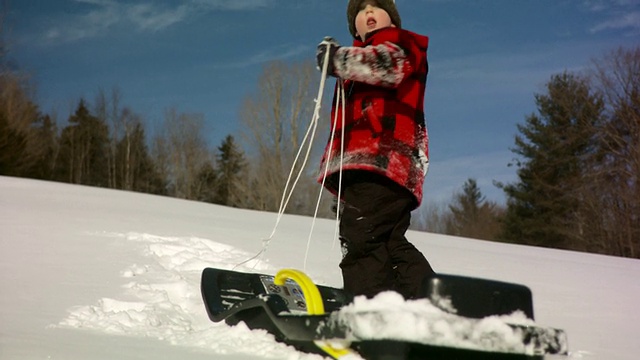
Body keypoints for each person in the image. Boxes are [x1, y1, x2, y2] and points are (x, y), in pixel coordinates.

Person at [316, 0, 435, 300]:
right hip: (371, 167)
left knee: (361, 237)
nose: (368, 13)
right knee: (387, 241)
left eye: (376, 7)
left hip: (385, 160)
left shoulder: (403, 44)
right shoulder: (354, 68)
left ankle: (373, 312)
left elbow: (386, 66)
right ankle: (426, 304)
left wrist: (339, 59)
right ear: (353, 25)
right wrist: (345, 187)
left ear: (392, 19)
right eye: (360, 10)